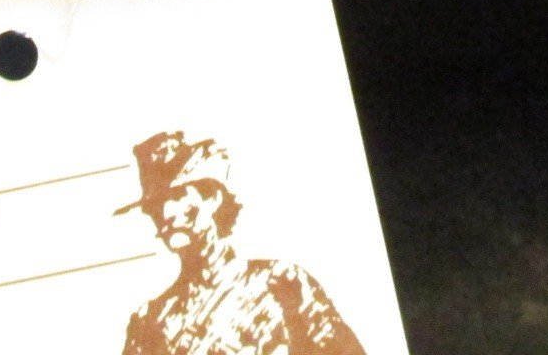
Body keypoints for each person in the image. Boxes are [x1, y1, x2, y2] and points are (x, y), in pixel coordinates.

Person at [115, 131, 367, 355]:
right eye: (154, 205)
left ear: (213, 197)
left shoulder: (283, 284)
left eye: (177, 196)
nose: (165, 213)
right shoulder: (149, 323)